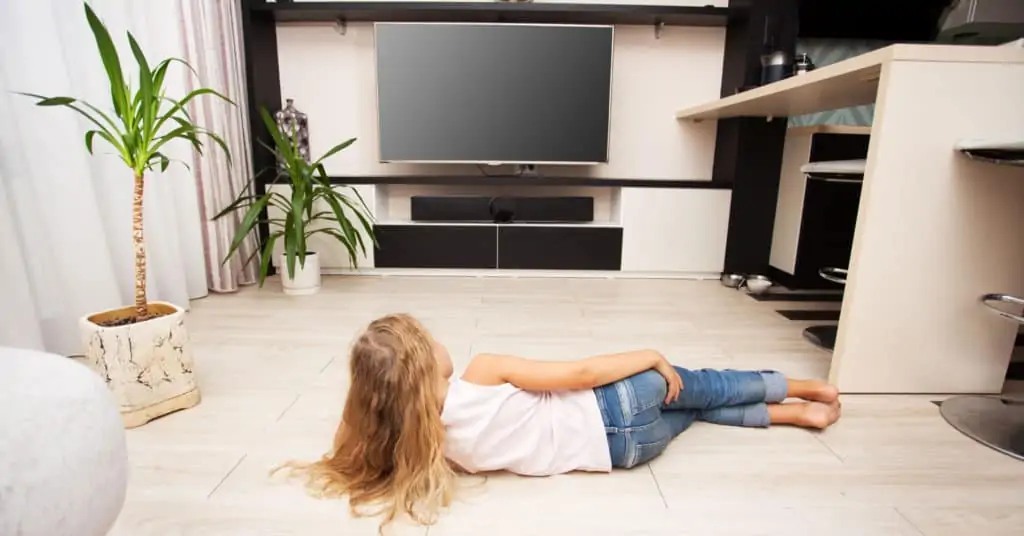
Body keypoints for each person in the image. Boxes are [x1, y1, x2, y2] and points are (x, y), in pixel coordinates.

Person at [283, 314, 841, 528]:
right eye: (430, 338)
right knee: (699, 385)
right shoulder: (480, 372)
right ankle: (806, 387)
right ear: (428, 363)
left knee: (691, 413)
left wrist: (366, 400)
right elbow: (581, 372)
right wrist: (649, 354)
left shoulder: (427, 446)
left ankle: (790, 416)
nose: (439, 337)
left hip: (623, 454)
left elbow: (355, 428)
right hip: (618, 404)